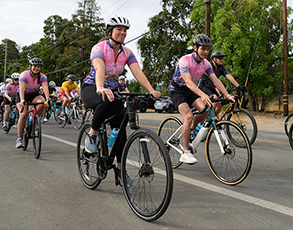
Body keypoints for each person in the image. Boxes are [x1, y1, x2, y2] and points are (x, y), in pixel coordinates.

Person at [81, 15, 160, 186]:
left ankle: (119, 169)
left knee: (121, 125)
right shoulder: (99, 48)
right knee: (105, 100)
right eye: (119, 29)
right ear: (110, 31)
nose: (122, 32)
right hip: (92, 87)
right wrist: (101, 86)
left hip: (113, 90)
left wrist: (151, 90)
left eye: (125, 30)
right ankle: (92, 135)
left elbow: (137, 73)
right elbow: (99, 68)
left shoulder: (127, 52)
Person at [168, 34, 235, 164]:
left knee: (206, 107)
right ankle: (185, 152)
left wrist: (227, 95)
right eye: (203, 48)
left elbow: (216, 81)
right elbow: (188, 82)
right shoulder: (185, 60)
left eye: (208, 49)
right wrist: (203, 95)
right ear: (195, 48)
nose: (205, 52)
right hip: (177, 91)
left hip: (190, 91)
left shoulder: (206, 64)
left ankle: (191, 128)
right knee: (188, 116)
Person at [196, 50, 245, 115]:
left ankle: (212, 120)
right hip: (202, 86)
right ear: (214, 59)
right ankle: (207, 119)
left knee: (221, 101)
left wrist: (238, 86)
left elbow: (228, 76)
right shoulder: (209, 66)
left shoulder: (221, 67)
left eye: (222, 58)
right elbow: (215, 81)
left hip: (212, 87)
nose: (221, 60)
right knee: (214, 98)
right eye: (220, 58)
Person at [16, 58, 50, 148]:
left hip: (34, 94)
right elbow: (22, 88)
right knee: (23, 115)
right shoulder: (24, 74)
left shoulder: (42, 77)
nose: (36, 68)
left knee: (42, 103)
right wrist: (22, 100)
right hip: (22, 95)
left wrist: (47, 98)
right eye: (34, 66)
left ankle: (35, 120)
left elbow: (45, 88)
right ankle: (19, 139)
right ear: (30, 66)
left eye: (38, 67)